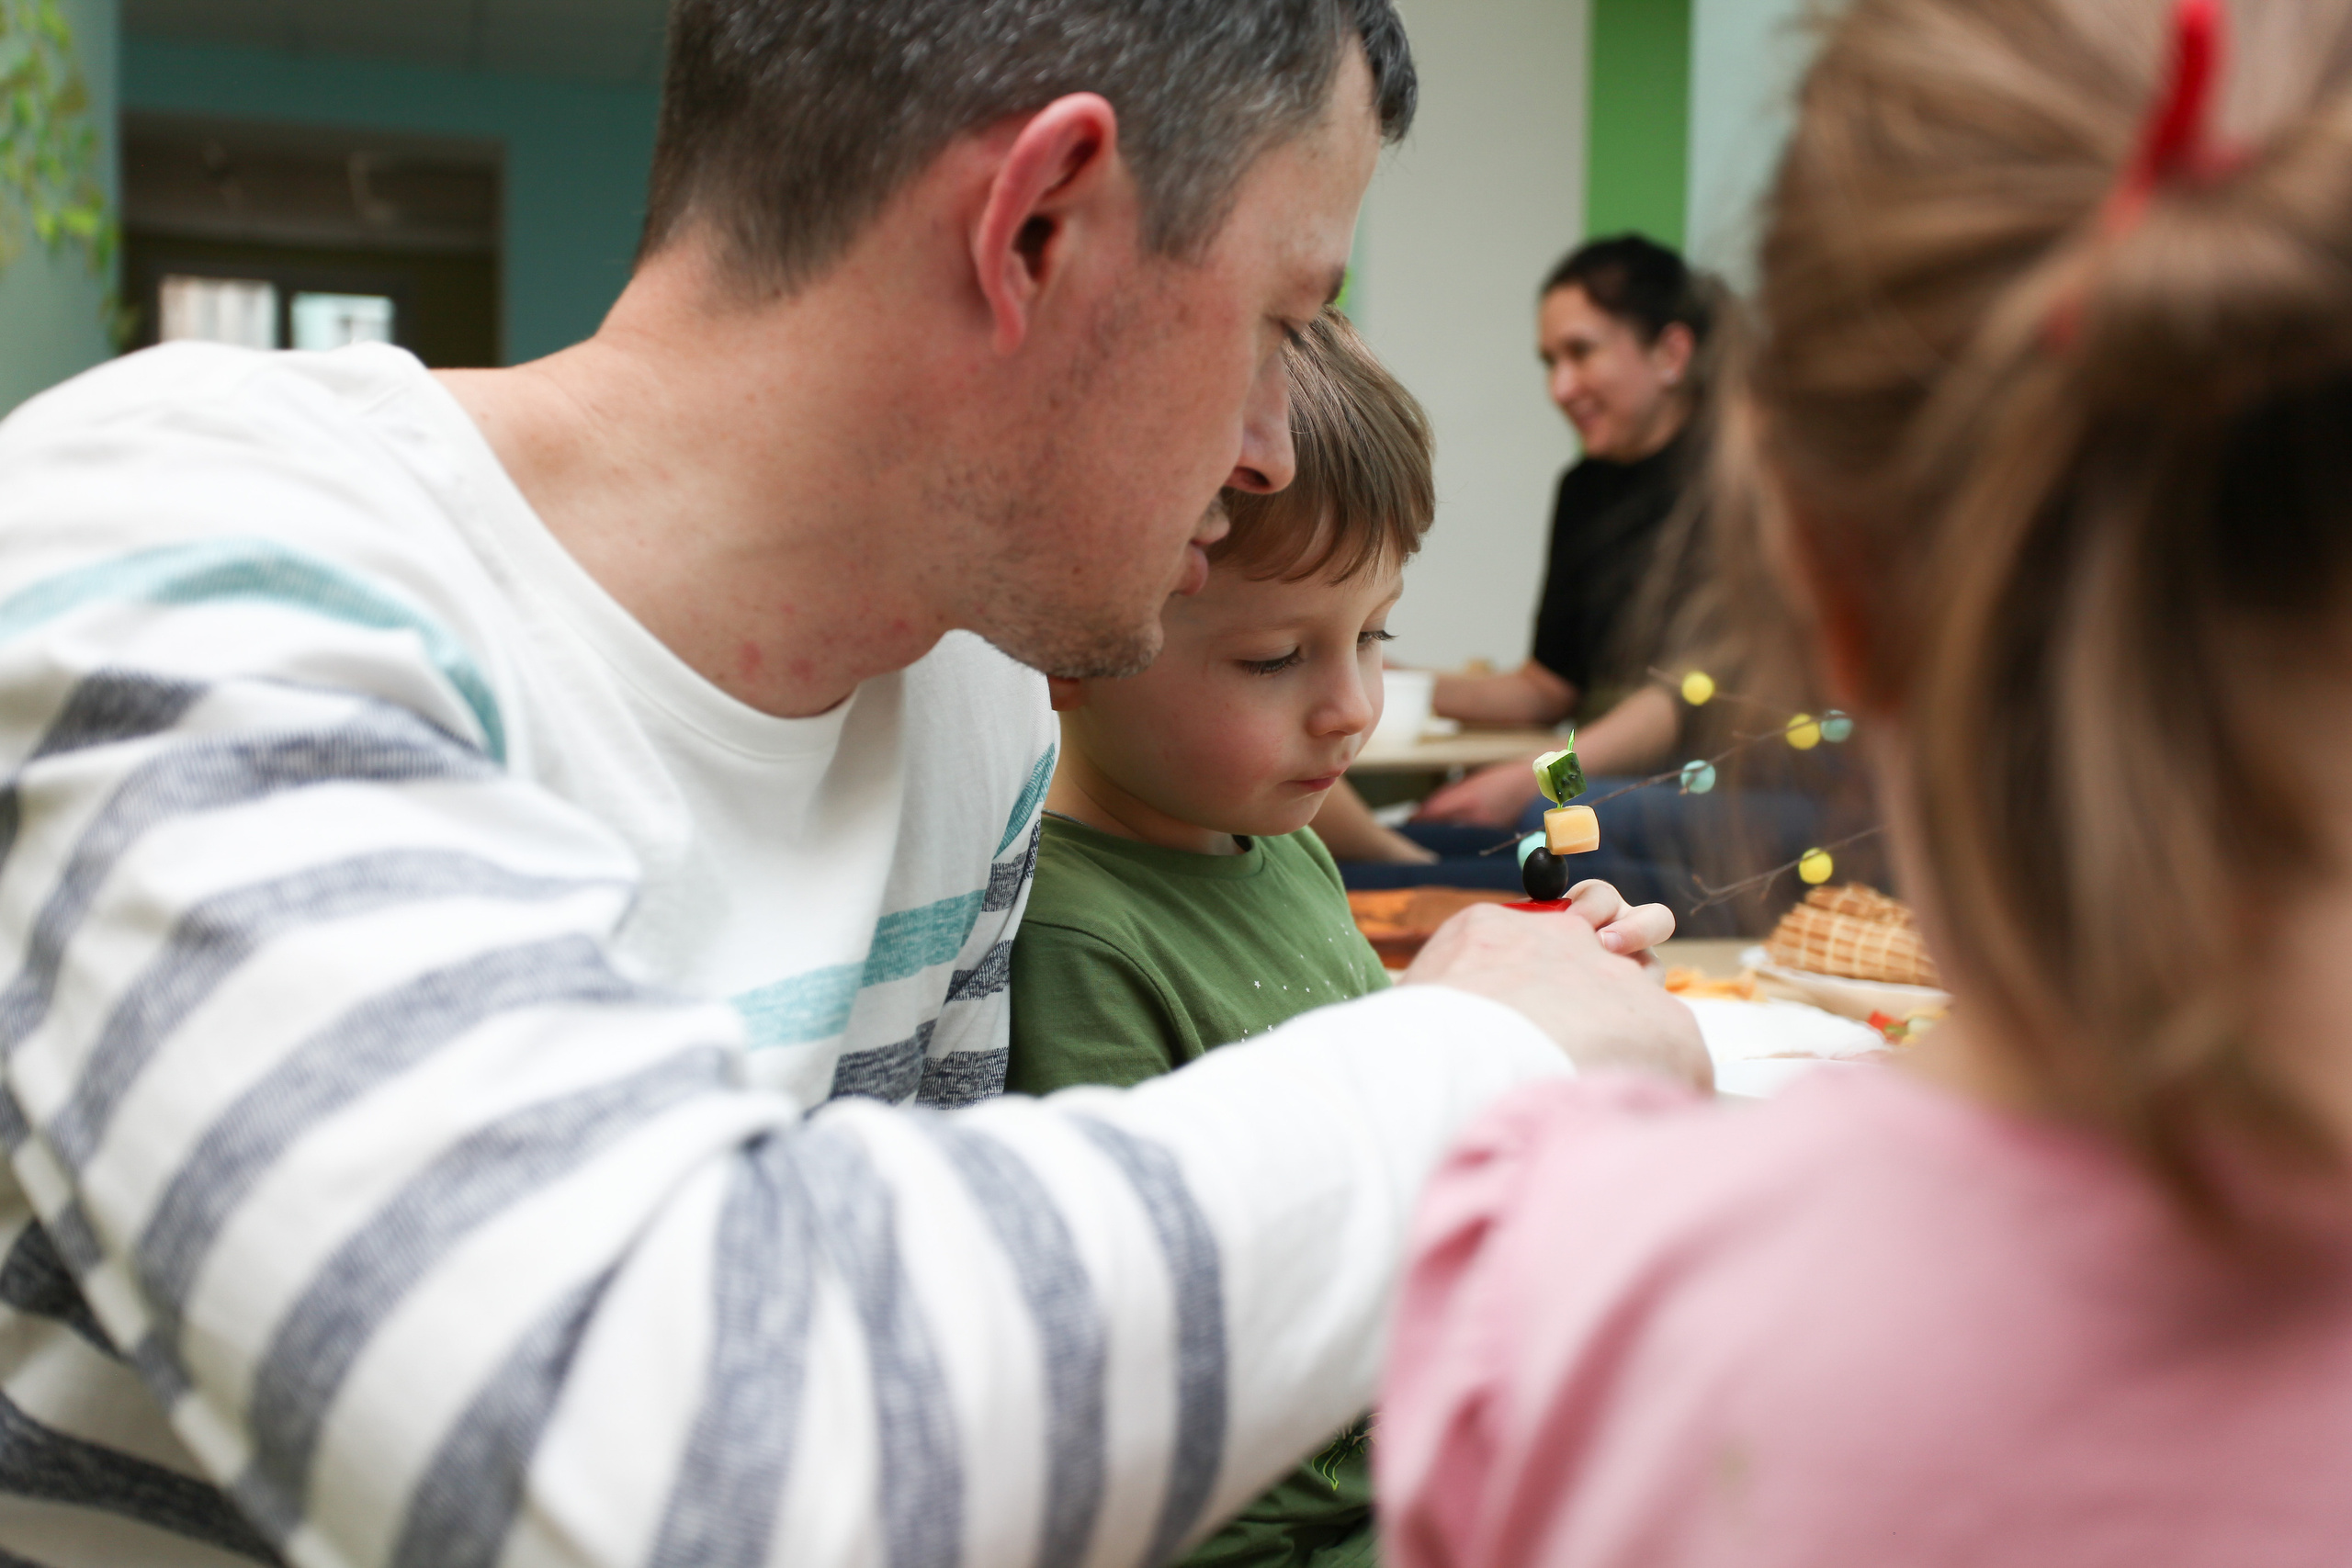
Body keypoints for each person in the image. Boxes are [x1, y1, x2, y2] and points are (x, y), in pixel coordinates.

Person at [0, 3, 1704, 1566]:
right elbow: (679, 1464)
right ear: (1038, 227)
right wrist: (1487, 1055)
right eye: (1283, 318)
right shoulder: (189, 556)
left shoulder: (972, 704)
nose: (1270, 441)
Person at [1378, 0, 2352, 1562]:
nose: (1563, 381)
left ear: (1819, 570)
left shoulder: (1566, 1277)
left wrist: (1549, 784)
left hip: (1717, 795)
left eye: (1580, 350)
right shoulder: (1581, 494)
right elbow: (1561, 684)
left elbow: (1677, 703)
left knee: (1594, 826)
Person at [1012, 308, 1675, 1568]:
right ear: (1074, 637)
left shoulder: (1288, 847)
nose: (1354, 709)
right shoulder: (1073, 934)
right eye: (1275, 658)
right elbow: (1167, 1442)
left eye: (1377, 636)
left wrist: (1542, 1028)